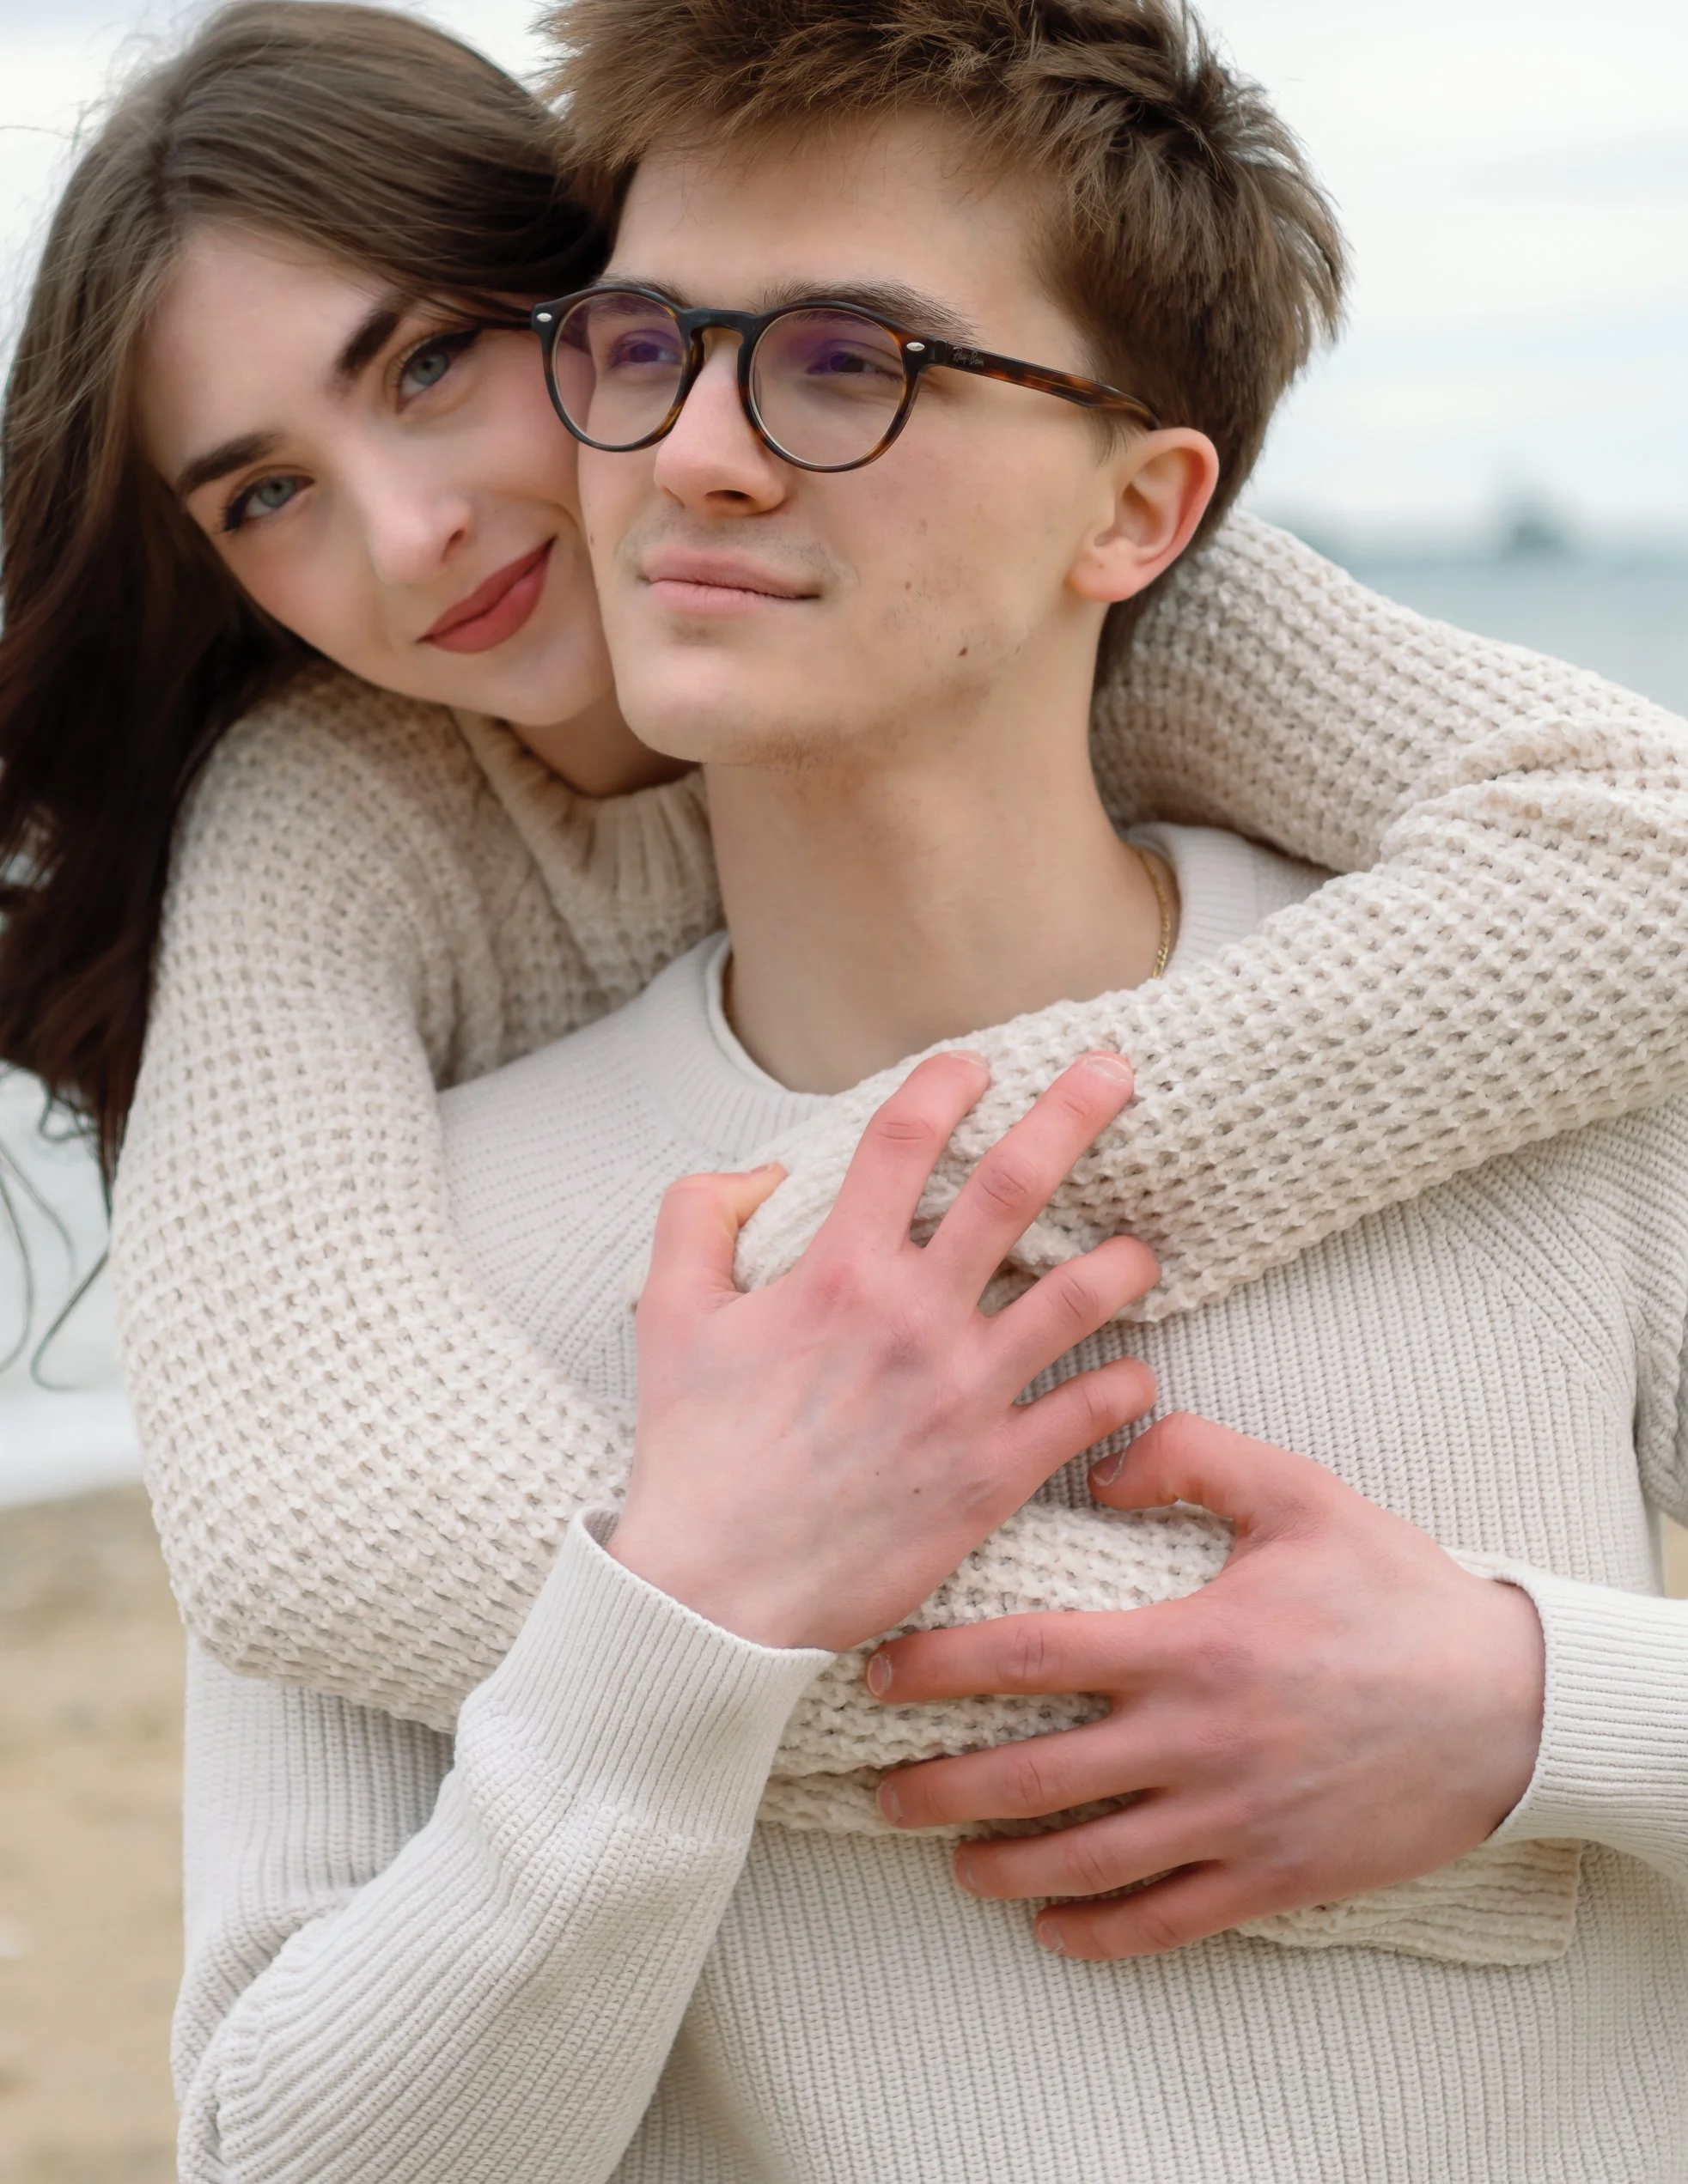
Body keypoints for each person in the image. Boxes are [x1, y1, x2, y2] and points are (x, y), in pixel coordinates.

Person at [163, 0, 1688, 2175]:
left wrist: (1546, 1710)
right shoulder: (422, 1277)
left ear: (1141, 508)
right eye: (641, 346)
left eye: (846, 361)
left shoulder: (1542, 1055)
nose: (695, 451)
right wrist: (684, 1622)